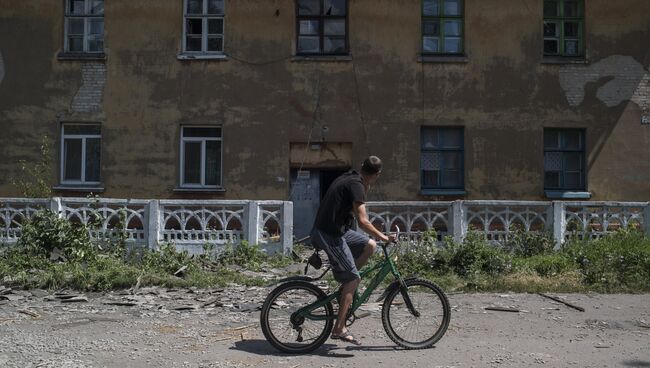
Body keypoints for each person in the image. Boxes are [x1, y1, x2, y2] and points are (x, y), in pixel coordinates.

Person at [310, 156, 395, 346]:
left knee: (370, 245)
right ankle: (339, 328)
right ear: (377, 174)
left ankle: (346, 287)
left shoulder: (352, 178)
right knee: (354, 278)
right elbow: (363, 221)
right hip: (328, 234)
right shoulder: (356, 184)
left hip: (337, 231)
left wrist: (376, 239)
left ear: (362, 167)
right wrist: (384, 237)